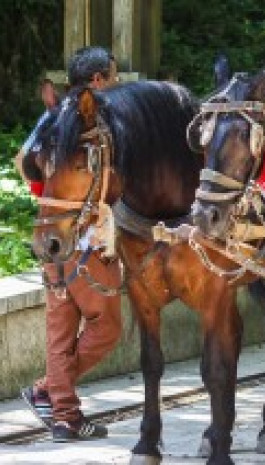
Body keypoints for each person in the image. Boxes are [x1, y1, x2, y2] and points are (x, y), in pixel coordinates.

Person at [19, 45, 122, 442]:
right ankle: (48, 390)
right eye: (110, 78)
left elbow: (23, 159)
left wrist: (47, 197)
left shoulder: (52, 116)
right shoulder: (96, 120)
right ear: (97, 82)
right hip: (85, 239)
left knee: (60, 333)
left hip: (50, 238)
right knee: (107, 328)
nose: (112, 85)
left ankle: (65, 417)